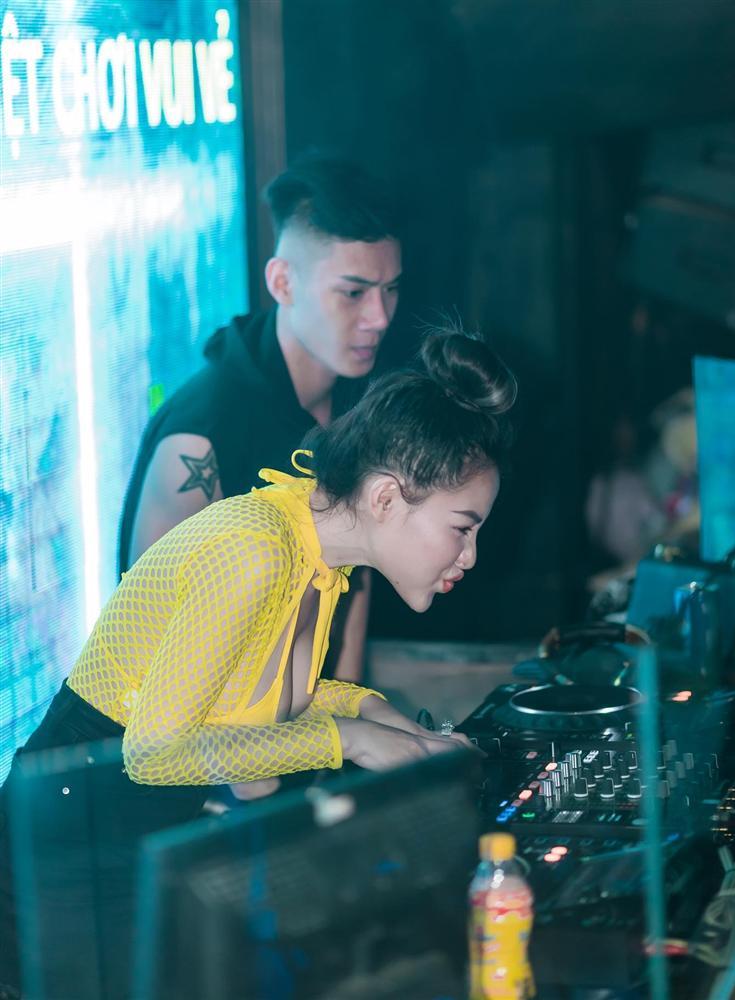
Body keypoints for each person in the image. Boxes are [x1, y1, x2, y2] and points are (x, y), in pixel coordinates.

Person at [0, 326, 515, 999]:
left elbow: (267, 696)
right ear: (386, 498)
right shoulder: (256, 550)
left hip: (125, 832)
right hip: (69, 832)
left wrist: (397, 731)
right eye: (462, 527)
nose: (469, 556)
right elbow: (151, 752)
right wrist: (351, 739)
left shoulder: (314, 552)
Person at [117, 153, 403, 684]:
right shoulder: (202, 435)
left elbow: (354, 582)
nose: (380, 317)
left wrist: (345, 723)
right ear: (283, 283)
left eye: (390, 290)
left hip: (312, 720)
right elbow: (148, 653)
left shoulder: (362, 401)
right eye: (354, 293)